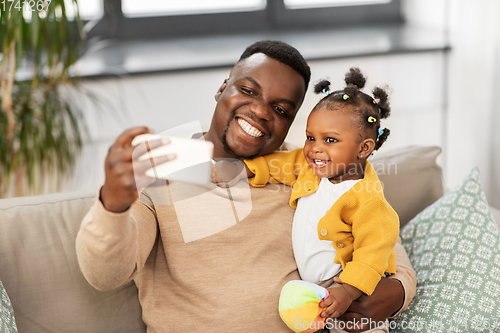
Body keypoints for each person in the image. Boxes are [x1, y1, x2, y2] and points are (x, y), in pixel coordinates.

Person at [76, 40, 416, 333]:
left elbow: (381, 235)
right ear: (222, 87)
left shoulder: (310, 169)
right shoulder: (163, 163)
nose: (259, 111)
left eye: (280, 109)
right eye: (248, 90)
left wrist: (398, 292)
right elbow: (105, 275)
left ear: (290, 123)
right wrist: (112, 207)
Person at [214, 67, 399, 332]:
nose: (315, 148)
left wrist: (348, 291)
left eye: (330, 140)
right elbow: (281, 164)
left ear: (364, 148)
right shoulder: (309, 165)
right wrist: (246, 169)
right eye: (311, 137)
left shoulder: (369, 202)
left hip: (350, 287)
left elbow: (373, 253)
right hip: (317, 290)